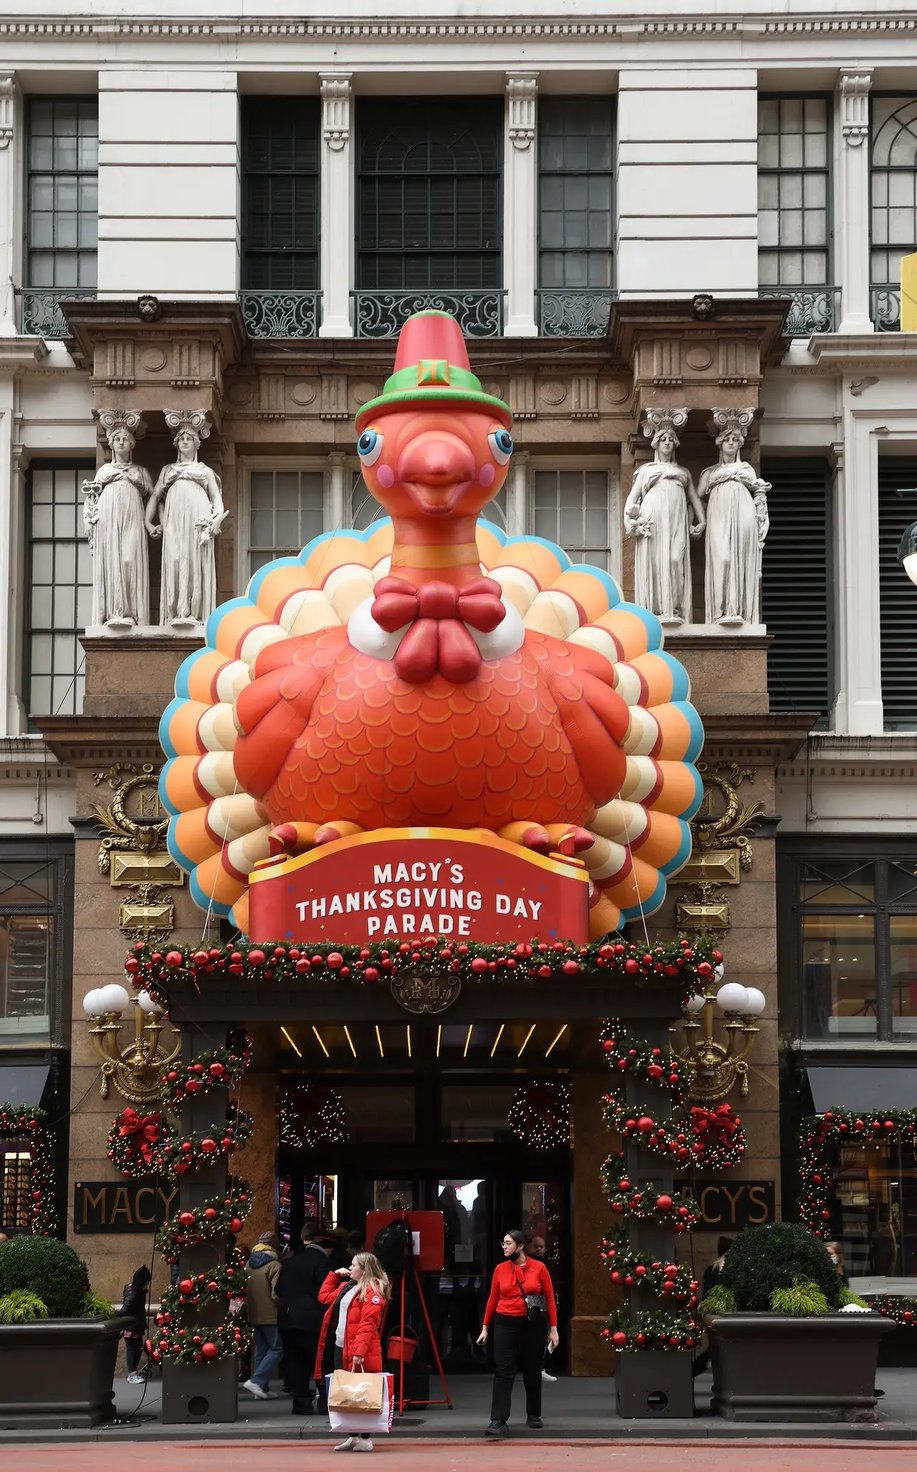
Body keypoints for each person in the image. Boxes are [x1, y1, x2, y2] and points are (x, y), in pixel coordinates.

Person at [146, 411, 226, 627]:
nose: (184, 442)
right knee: (175, 559)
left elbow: (216, 498)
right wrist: (148, 522)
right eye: (181, 439)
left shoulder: (205, 471)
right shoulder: (168, 470)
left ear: (196, 443)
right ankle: (174, 612)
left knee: (193, 560)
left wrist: (216, 519)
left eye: (188, 438)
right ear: (176, 443)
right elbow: (155, 496)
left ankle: (192, 611)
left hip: (197, 518)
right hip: (173, 520)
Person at [477, 1228, 558, 1439]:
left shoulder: (539, 1268)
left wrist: (554, 1329)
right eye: (503, 1243)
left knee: (532, 1369)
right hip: (505, 1322)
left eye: (508, 1243)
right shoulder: (500, 1269)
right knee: (503, 1370)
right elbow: (492, 1299)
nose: (504, 1247)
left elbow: (549, 1299)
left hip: (533, 1323)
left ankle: (534, 1414)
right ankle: (498, 1420)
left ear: (520, 1246)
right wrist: (485, 1327)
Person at [624, 414, 705, 625]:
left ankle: (675, 608)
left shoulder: (683, 472)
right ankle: (658, 609)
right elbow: (632, 500)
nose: (667, 443)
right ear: (656, 444)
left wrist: (701, 521)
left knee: (675, 560)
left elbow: (695, 498)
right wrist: (630, 523)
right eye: (663, 440)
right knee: (655, 561)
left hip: (677, 521)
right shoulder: (647, 471)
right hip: (654, 517)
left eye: (670, 439)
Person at [81, 411, 153, 628]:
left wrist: (151, 522)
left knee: (129, 560)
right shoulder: (104, 471)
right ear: (111, 445)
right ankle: (115, 612)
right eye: (117, 439)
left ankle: (132, 611)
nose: (121, 442)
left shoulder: (139, 471)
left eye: (125, 439)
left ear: (131, 444)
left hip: (132, 516)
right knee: (113, 561)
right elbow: (91, 498)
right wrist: (89, 520)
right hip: (109, 518)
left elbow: (154, 494)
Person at [315, 1250, 391, 1454]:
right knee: (349, 1393)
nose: (350, 1268)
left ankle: (365, 1438)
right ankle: (352, 1435)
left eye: (354, 1265)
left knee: (363, 1392)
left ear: (364, 1269)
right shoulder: (349, 1287)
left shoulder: (372, 1292)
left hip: (359, 1350)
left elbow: (368, 1324)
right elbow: (324, 1297)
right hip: (343, 1346)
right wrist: (334, 1275)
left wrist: (359, 1351)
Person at [700, 414, 770, 626]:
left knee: (739, 557)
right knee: (723, 558)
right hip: (718, 516)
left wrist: (760, 496)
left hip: (742, 514)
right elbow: (697, 497)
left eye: (735, 440)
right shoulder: (710, 473)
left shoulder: (747, 469)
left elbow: (758, 493)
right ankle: (719, 611)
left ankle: (737, 609)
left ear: (739, 444)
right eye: (727, 439)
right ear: (720, 444)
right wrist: (698, 521)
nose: (731, 443)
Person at [278, 1221, 331, 1416]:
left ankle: (301, 1403)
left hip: (287, 1317)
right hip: (311, 1318)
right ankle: (325, 1403)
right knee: (320, 1361)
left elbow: (278, 1288)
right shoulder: (321, 1261)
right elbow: (325, 1289)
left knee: (296, 1360)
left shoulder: (290, 1260)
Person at [242, 1231, 284, 1400]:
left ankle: (261, 1390)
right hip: (271, 1314)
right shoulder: (275, 1265)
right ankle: (257, 1381)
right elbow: (276, 1293)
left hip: (253, 1312)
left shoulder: (248, 1264)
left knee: (261, 1350)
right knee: (277, 1348)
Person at [525, 1234, 557, 1384]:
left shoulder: (544, 1263)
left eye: (541, 1247)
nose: (538, 1249)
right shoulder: (531, 1263)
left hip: (541, 1302)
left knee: (544, 1336)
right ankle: (538, 1368)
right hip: (535, 1303)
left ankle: (540, 1367)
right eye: (536, 1246)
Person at [121, 1265, 151, 1384]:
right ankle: (132, 1374)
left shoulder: (138, 1292)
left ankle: (133, 1373)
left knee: (137, 1349)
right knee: (132, 1350)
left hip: (136, 1325)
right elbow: (125, 1309)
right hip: (132, 1326)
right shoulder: (134, 1294)